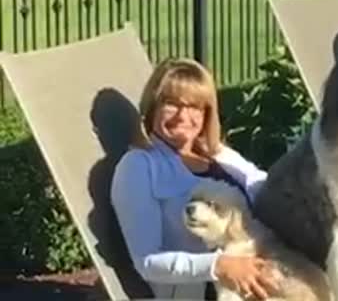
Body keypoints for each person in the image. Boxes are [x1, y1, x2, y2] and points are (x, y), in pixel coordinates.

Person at [111, 58, 278, 300]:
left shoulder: (219, 154)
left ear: (206, 113)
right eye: (171, 104)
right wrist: (219, 266)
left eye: (194, 107)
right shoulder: (139, 166)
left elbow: (268, 188)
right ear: (152, 108)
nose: (182, 116)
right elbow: (146, 261)